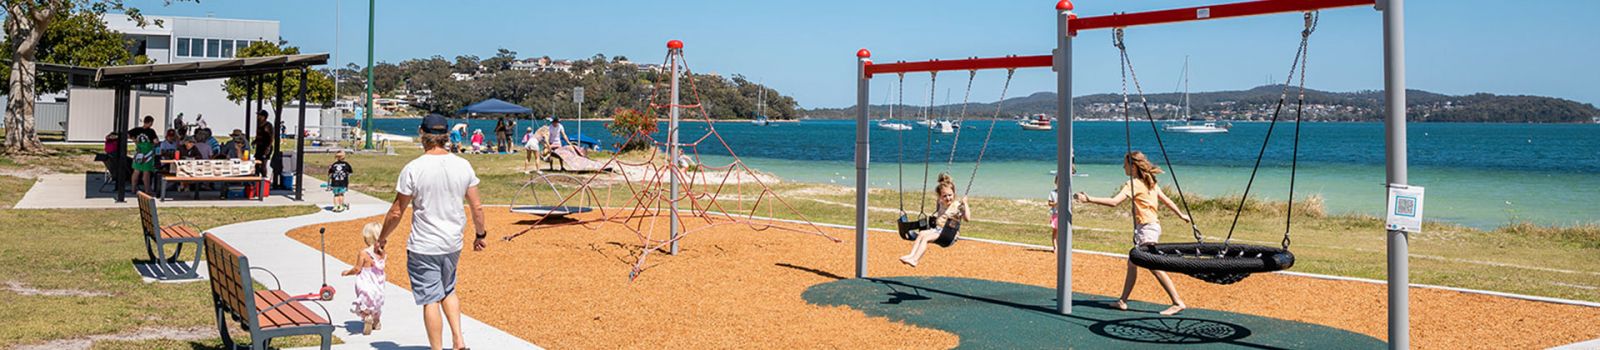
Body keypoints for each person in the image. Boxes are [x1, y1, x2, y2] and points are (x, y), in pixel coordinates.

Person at [374, 113, 488, 350]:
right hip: (452, 243)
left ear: (421, 133)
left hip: (424, 245)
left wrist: (382, 238)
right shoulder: (463, 165)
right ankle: (459, 340)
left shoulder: (414, 168)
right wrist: (480, 234)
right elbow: (476, 206)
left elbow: (397, 211)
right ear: (447, 136)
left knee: (430, 299)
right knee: (448, 290)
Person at [1074, 150, 1192, 316]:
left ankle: (1177, 301)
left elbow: (1114, 202)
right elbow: (1167, 201)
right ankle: (1122, 301)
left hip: (1147, 229)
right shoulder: (1150, 183)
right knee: (1132, 264)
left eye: (1125, 164)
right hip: (1152, 227)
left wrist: (1089, 199)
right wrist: (1181, 215)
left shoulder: (1133, 184)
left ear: (1133, 166)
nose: (1123, 167)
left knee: (1154, 266)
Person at [899, 173, 970, 267]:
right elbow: (939, 196)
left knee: (926, 238)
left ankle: (915, 260)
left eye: (950, 195)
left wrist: (965, 204)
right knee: (921, 234)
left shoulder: (957, 205)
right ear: (940, 197)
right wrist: (942, 184)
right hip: (937, 230)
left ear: (954, 194)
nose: (948, 198)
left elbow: (967, 218)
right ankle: (911, 255)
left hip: (949, 234)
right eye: (944, 196)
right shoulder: (941, 203)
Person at [342, 222, 387, 335]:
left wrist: (347, 272)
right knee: (376, 301)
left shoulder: (363, 253)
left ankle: (367, 317)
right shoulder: (382, 253)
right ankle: (376, 321)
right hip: (378, 284)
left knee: (365, 301)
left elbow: (357, 269)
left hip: (365, 282)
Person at [128, 116, 160, 194]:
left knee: (136, 171)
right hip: (147, 154)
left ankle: (133, 189)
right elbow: (156, 141)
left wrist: (135, 140)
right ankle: (147, 190)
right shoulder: (151, 131)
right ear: (150, 122)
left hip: (138, 152)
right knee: (146, 173)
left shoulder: (137, 130)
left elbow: (128, 134)